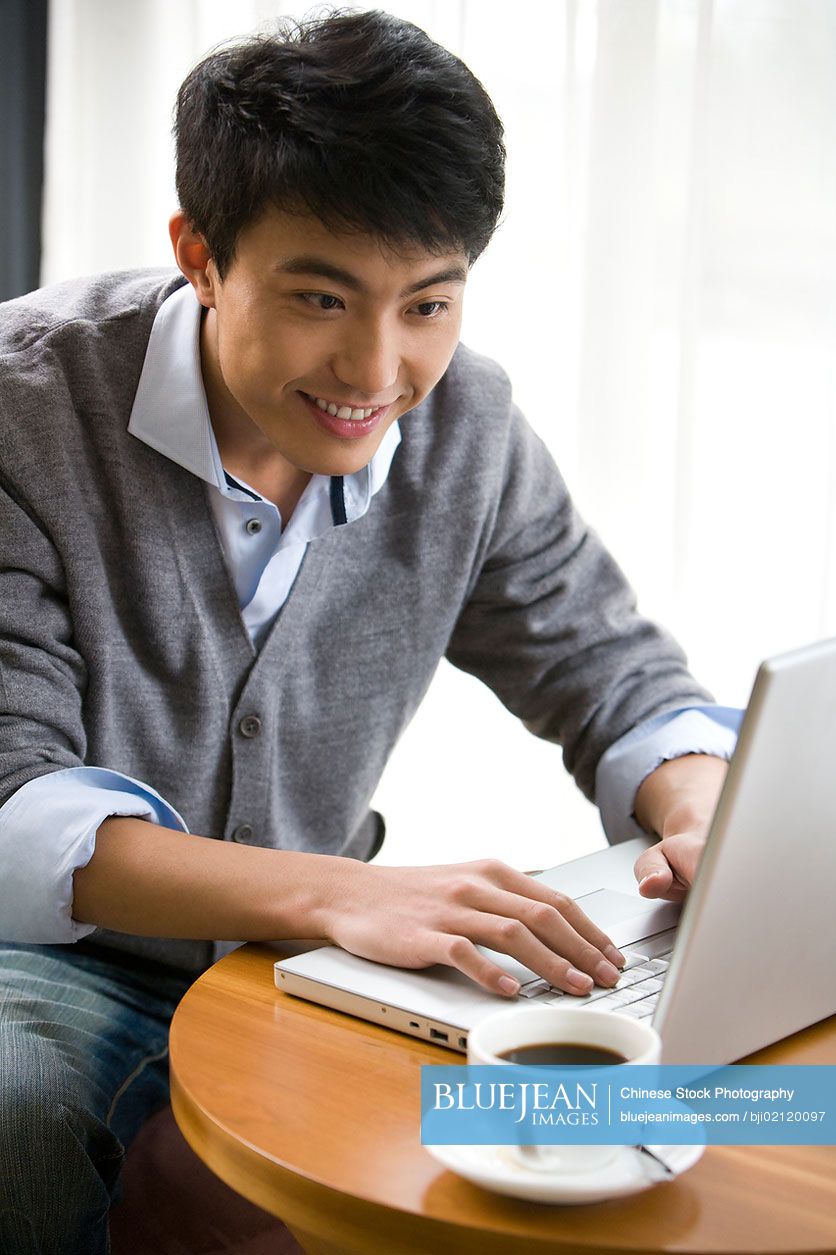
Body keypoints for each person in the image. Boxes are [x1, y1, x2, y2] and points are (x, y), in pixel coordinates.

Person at [0, 9, 738, 1252]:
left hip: (315, 960)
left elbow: (607, 671)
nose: (376, 369)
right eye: (321, 295)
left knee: (694, 1123)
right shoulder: (23, 412)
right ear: (199, 253)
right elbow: (17, 812)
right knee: (16, 1115)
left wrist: (700, 802)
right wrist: (346, 896)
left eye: (428, 305)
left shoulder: (469, 428)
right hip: (57, 960)